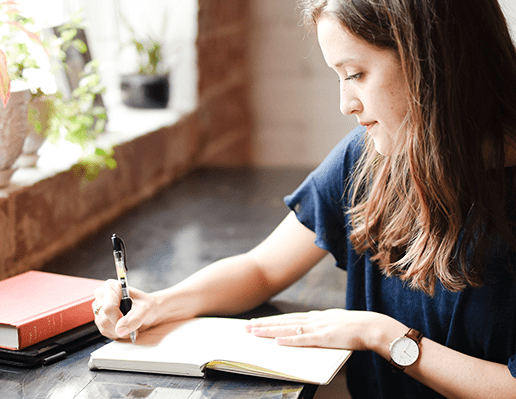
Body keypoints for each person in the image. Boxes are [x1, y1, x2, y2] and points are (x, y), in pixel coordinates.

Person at [93, 0, 516, 397]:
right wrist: (159, 304)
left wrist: (385, 337)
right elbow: (262, 268)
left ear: (433, 62)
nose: (345, 103)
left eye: (355, 73)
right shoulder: (368, 156)